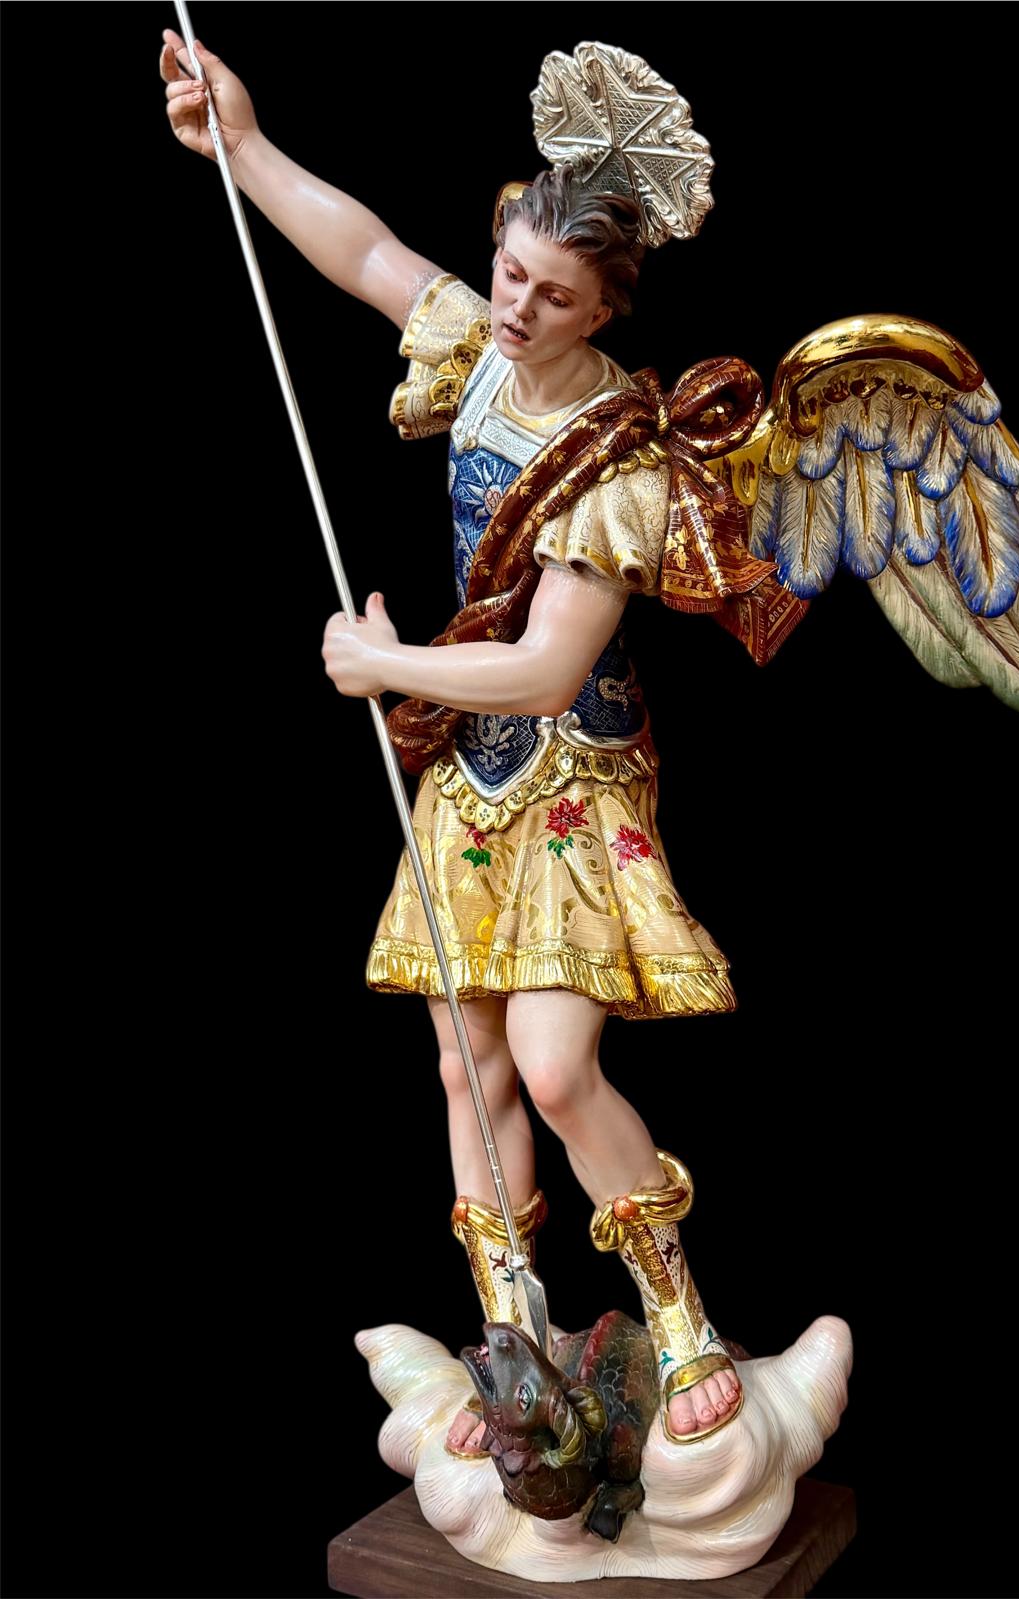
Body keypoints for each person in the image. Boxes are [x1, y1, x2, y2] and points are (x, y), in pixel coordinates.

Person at [161, 31, 745, 1452]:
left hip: (571, 773)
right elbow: (362, 252)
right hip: (473, 777)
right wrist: (244, 139)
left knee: (554, 1068)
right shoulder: (481, 353)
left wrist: (382, 665)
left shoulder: (616, 459)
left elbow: (546, 669)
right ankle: (513, 1337)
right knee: (464, 1072)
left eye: (555, 295)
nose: (517, 308)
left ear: (606, 306)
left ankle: (679, 1318)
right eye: (509, 274)